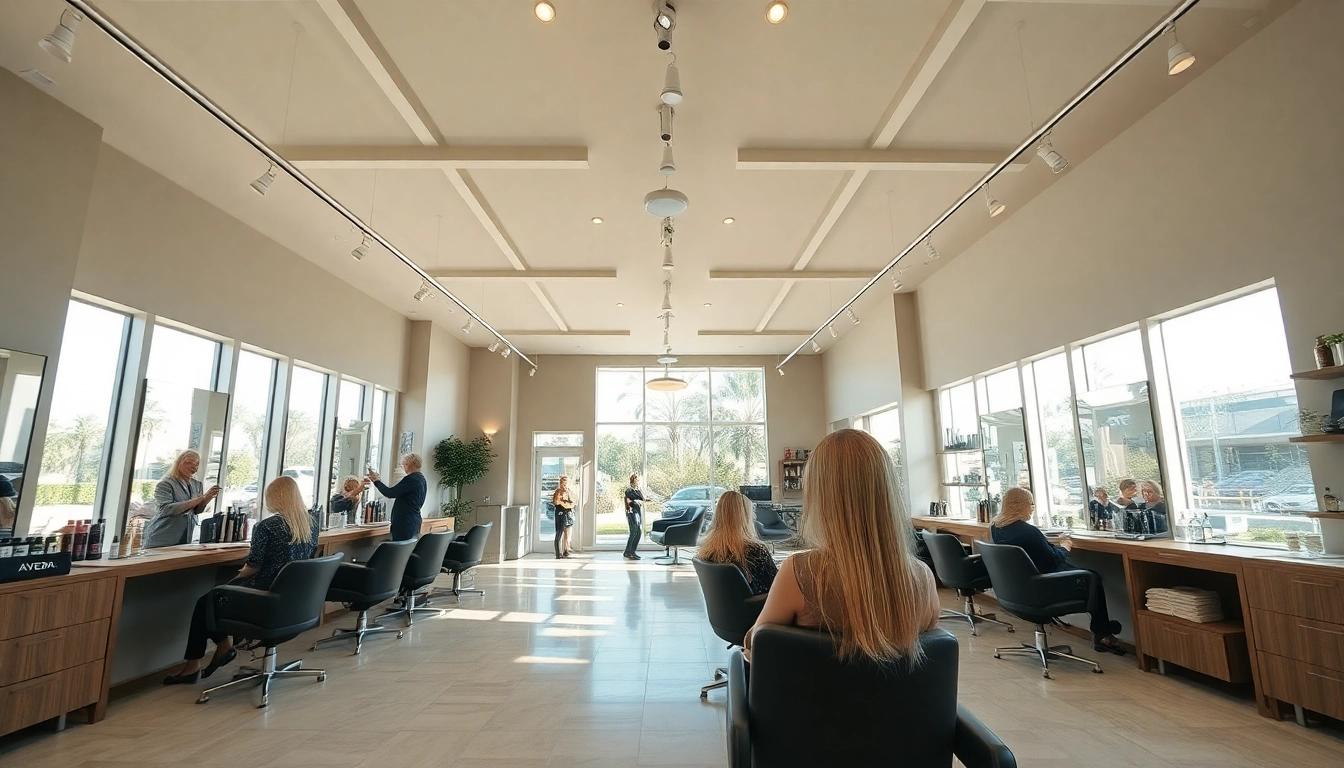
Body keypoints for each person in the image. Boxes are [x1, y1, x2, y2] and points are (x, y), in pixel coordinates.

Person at [747, 429, 940, 663]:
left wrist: (750, 637)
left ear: (820, 496)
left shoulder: (798, 573)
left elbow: (758, 647)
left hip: (812, 699)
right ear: (888, 492)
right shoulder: (924, 579)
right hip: (895, 700)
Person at [163, 476, 319, 684]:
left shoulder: (267, 527)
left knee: (209, 599)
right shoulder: (310, 524)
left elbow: (253, 566)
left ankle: (197, 663)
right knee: (215, 596)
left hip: (264, 596)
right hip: (293, 599)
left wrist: (238, 575)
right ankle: (222, 646)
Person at [989, 487, 1124, 654]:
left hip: (1017, 591)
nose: (1033, 507)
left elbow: (1035, 552)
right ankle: (1103, 633)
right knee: (1091, 578)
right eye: (1031, 503)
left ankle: (1103, 629)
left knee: (1087, 575)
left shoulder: (996, 528)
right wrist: (1065, 547)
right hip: (1042, 588)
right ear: (1021, 505)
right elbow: (1053, 560)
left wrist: (1047, 544)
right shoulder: (1029, 532)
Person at [697, 490, 778, 595]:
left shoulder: (707, 549)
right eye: (751, 512)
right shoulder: (755, 551)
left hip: (726, 609)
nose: (754, 516)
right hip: (758, 608)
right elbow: (775, 587)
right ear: (743, 517)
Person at [143, 450, 219, 548]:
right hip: (162, 536)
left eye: (196, 464)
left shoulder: (197, 485)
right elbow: (166, 509)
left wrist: (207, 498)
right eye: (189, 462)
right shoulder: (166, 484)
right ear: (179, 463)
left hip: (186, 536)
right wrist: (202, 498)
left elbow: (196, 510)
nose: (193, 466)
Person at [368, 454, 426, 542]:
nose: (404, 468)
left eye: (404, 465)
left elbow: (390, 493)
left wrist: (377, 481)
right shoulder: (421, 479)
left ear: (409, 465)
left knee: (401, 551)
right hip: (413, 520)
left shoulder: (412, 479)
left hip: (405, 522)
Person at [623, 474, 645, 561]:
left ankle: (629, 551)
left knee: (638, 532)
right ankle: (630, 552)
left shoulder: (638, 490)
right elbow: (630, 501)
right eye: (637, 480)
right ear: (633, 480)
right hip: (632, 513)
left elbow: (642, 499)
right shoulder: (629, 491)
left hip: (637, 514)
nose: (638, 482)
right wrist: (637, 501)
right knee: (634, 532)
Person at [552, 475, 575, 559]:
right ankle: (558, 553)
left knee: (567, 532)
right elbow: (556, 502)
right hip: (560, 513)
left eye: (566, 483)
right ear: (560, 483)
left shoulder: (568, 491)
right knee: (559, 532)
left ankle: (566, 550)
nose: (565, 485)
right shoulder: (558, 491)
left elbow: (572, 503)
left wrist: (567, 504)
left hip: (567, 513)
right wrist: (562, 501)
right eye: (563, 483)